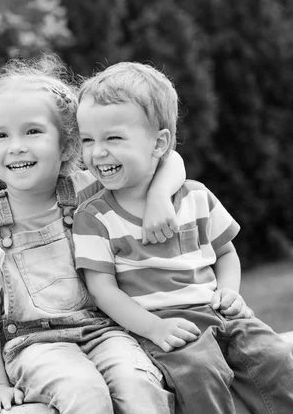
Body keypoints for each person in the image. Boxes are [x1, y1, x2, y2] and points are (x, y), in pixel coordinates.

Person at [0, 55, 185, 414]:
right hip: (34, 345)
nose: (16, 145)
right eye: (1, 135)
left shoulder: (89, 188)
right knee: (85, 393)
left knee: (140, 382)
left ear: (67, 145)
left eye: (33, 131)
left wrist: (160, 196)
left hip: (105, 330)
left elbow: (166, 159)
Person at [73, 61, 293, 414]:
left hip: (222, 313)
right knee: (199, 371)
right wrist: (155, 328)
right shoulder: (94, 215)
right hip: (164, 323)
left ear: (159, 143)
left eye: (113, 138)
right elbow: (102, 290)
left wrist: (229, 291)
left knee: (275, 357)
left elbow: (226, 254)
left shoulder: (195, 197)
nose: (97, 152)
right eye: (87, 139)